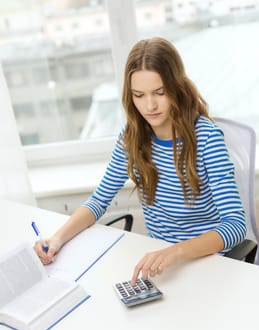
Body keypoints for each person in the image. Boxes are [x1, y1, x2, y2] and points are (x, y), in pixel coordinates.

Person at [34, 37, 246, 284]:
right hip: (160, 265)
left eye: (160, 92)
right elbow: (99, 201)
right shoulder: (132, 137)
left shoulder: (207, 138)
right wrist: (57, 239)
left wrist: (174, 252)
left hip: (204, 261)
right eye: (139, 95)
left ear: (176, 88)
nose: (150, 105)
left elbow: (235, 226)